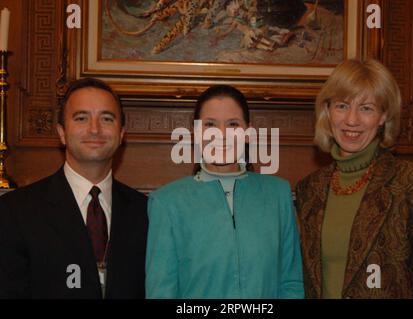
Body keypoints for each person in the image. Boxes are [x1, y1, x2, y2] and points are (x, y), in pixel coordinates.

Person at [296, 59, 413, 299]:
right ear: (327, 111)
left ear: (383, 116)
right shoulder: (309, 189)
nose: (352, 120)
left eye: (366, 108)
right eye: (342, 106)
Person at [145, 85, 304, 298]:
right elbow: (161, 291)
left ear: (248, 133)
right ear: (195, 133)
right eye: (210, 124)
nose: (221, 134)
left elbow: (291, 282)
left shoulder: (278, 194)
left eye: (233, 124)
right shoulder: (167, 202)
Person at [0, 78, 148, 299]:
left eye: (107, 118)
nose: (95, 129)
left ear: (121, 133)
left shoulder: (146, 211)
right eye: (81, 118)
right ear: (61, 132)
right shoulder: (14, 211)